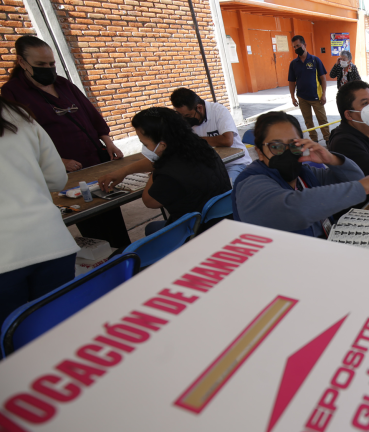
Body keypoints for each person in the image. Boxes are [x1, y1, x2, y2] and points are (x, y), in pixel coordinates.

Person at [1, 35, 129, 247]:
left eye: (51, 63)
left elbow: (91, 114)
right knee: (90, 218)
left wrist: (108, 142)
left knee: (111, 210)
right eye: (40, 65)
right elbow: (26, 134)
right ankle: (107, 263)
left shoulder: (63, 84)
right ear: (22, 63)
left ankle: (126, 252)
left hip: (94, 159)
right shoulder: (13, 92)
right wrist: (58, 161)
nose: (48, 68)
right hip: (66, 170)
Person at [233, 111, 369, 237]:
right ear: (260, 152)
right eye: (276, 146)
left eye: (294, 144)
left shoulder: (304, 174)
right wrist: (358, 187)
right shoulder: (250, 185)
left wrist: (331, 159)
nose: (286, 152)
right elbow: (295, 209)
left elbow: (356, 181)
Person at [0, 96, 80, 325]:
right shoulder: (17, 115)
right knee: (57, 325)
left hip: (4, 260)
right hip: (52, 241)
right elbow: (56, 179)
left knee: (11, 342)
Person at [98, 107, 231, 236]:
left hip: (195, 231)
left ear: (162, 145)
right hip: (222, 221)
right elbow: (158, 161)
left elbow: (149, 201)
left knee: (151, 229)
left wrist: (158, 166)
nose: (144, 148)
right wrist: (124, 171)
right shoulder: (200, 146)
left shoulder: (169, 174)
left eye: (145, 144)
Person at [170, 87, 252, 182]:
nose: (185, 119)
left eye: (188, 116)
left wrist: (195, 140)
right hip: (211, 166)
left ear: (199, 108)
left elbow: (227, 140)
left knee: (228, 188)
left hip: (235, 163)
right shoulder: (188, 120)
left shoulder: (219, 111)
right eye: (181, 116)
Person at [288, 35, 330, 143]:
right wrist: (292, 97)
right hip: (302, 98)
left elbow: (323, 78)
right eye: (294, 47)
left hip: (316, 97)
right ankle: (314, 141)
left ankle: (328, 139)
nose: (296, 48)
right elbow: (292, 82)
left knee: (323, 120)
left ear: (304, 45)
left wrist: (324, 94)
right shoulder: (293, 64)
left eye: (298, 45)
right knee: (308, 121)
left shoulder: (315, 60)